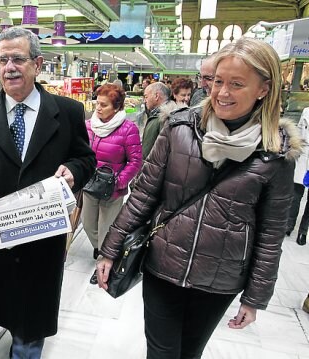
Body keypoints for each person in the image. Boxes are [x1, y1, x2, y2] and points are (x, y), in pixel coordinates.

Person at [96, 37, 302, 359]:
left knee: (190, 352)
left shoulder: (276, 154)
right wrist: (109, 251)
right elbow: (143, 196)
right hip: (162, 265)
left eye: (236, 84)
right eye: (218, 81)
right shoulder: (179, 128)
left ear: (263, 88)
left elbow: (270, 234)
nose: (221, 93)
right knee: (162, 352)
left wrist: (255, 297)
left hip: (220, 279)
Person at [0, 27, 95, 359]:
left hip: (42, 242)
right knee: (6, 311)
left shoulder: (68, 112)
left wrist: (74, 172)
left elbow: (86, 159)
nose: (9, 67)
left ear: (38, 63)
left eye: (18, 58)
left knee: (32, 325)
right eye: (3, 60)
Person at [82, 84, 142, 285]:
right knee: (89, 224)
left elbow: (135, 161)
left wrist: (119, 182)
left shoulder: (128, 129)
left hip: (112, 190)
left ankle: (102, 264)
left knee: (107, 227)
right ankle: (101, 248)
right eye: (97, 103)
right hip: (90, 185)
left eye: (104, 105)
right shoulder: (89, 125)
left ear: (116, 108)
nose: (98, 108)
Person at [286, 107, 309, 245]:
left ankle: (303, 232)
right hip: (304, 155)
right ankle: (289, 225)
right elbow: (299, 134)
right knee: (296, 193)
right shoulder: (306, 111)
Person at [141, 82, 178, 160]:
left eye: (146, 97)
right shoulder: (158, 115)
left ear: (156, 96)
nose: (145, 100)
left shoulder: (165, 118)